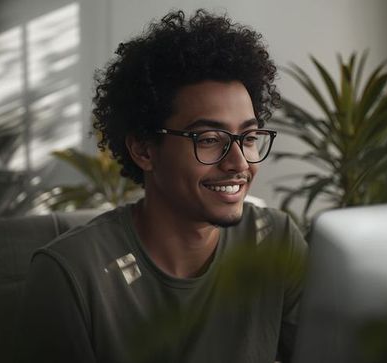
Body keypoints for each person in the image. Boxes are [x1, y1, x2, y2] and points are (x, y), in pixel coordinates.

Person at [17, 9, 308, 363]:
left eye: (247, 137)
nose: (239, 163)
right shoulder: (70, 274)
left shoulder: (275, 241)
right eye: (209, 139)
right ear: (143, 148)